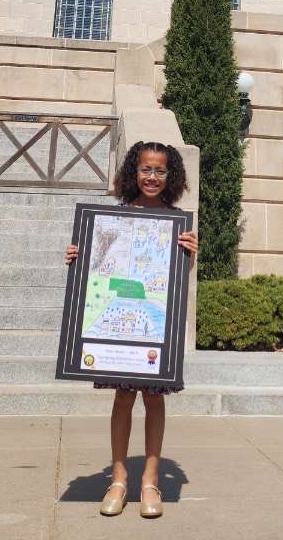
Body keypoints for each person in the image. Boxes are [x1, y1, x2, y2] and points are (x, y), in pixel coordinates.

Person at [65, 140, 198, 519]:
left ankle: (150, 482)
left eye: (159, 171)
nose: (152, 177)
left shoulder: (176, 221)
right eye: (145, 169)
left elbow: (172, 282)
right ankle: (119, 480)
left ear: (169, 175)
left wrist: (189, 256)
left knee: (154, 399)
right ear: (133, 172)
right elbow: (98, 272)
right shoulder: (113, 219)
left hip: (154, 328)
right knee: (123, 398)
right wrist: (78, 258)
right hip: (120, 327)